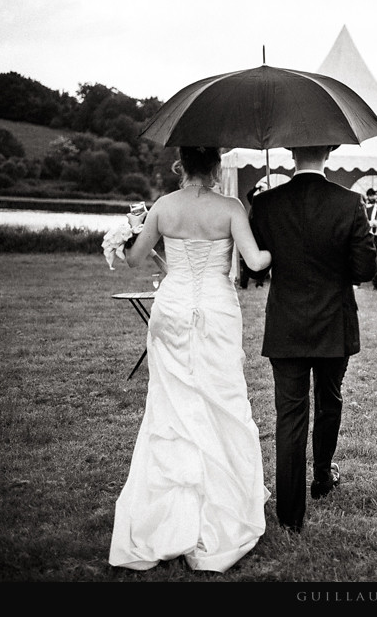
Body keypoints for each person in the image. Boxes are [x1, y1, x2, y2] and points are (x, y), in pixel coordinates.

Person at [109, 146, 272, 572]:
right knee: (222, 397)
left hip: (173, 305)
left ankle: (167, 513)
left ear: (183, 164)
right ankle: (221, 502)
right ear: (216, 166)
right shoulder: (232, 207)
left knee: (172, 400)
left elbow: (136, 260)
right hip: (216, 308)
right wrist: (280, 247)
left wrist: (129, 235)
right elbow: (255, 261)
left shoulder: (163, 206)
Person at [248, 144, 377, 533]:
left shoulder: (266, 203)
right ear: (329, 152)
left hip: (286, 322)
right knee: (329, 398)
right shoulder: (350, 202)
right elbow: (366, 268)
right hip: (333, 321)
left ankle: (290, 515)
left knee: (289, 414)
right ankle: (322, 476)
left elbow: (254, 269)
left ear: (290, 153)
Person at [239, 184, 266, 289]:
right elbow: (249, 195)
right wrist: (256, 188)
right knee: (248, 258)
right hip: (252, 233)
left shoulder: (266, 206)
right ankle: (244, 283)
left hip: (260, 234)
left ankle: (259, 282)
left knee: (260, 257)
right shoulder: (255, 202)